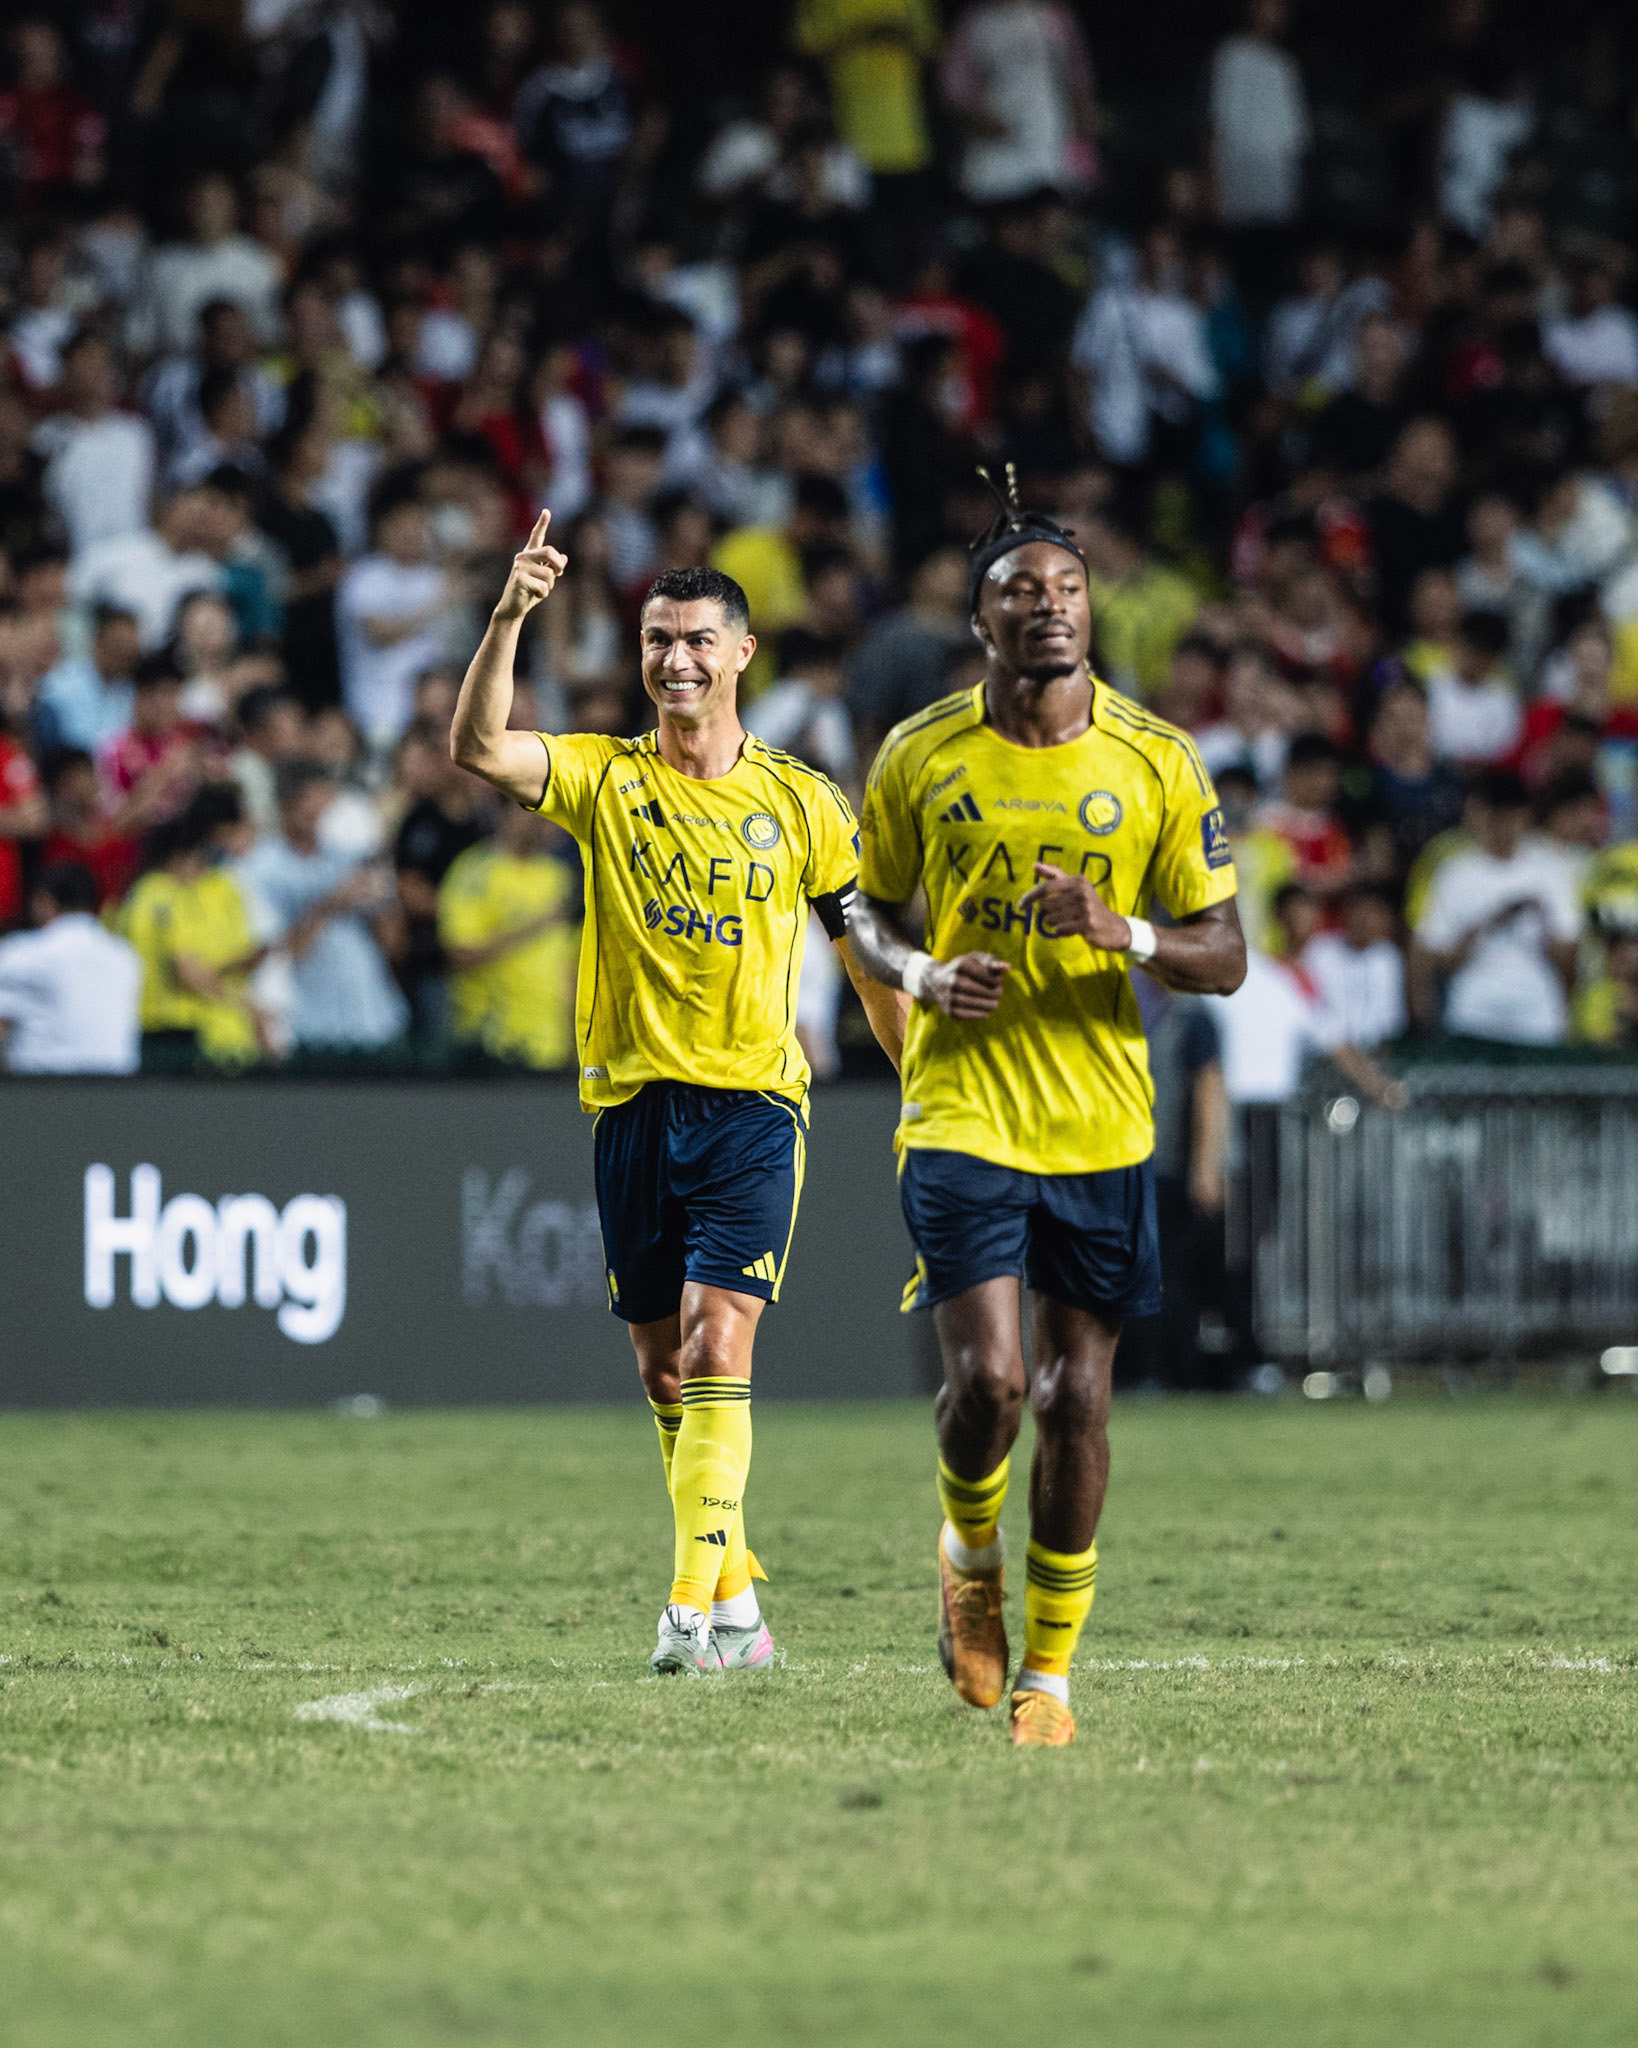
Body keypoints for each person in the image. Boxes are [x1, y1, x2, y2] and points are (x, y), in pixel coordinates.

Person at [450, 516, 906, 1677]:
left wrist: (924, 1087)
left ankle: (689, 1610)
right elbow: (477, 746)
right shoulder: (603, 777)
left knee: (717, 1338)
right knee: (663, 1367)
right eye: (659, 640)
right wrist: (509, 613)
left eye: (699, 639)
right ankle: (743, 1602)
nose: (677, 661)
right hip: (632, 1107)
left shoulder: (807, 804)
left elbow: (862, 954)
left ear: (744, 651)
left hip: (755, 1105)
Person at [846, 477, 1247, 1745]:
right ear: (981, 619)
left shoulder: (1154, 759)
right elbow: (858, 910)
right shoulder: (920, 755)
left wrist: (1120, 929)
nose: (1051, 607)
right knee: (995, 1385)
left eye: (1068, 588)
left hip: (1101, 1120)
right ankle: (971, 1555)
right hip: (961, 1105)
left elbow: (1225, 951)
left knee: (1080, 1396)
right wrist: (917, 978)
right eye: (1022, 589)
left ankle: (1051, 1674)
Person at [236, 762, 409, 1057]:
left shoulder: (348, 858)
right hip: (310, 1024)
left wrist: (383, 894)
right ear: (285, 804)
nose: (320, 810)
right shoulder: (260, 868)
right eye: (311, 800)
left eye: (326, 801)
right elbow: (276, 954)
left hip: (372, 1017)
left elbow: (393, 944)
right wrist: (331, 904)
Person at [1410, 768, 1581, 1044]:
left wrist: (1543, 918)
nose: (1509, 826)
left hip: (1536, 1006)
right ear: (1486, 815)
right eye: (1502, 816)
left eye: (1516, 817)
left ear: (1527, 818)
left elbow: (1569, 953)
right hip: (1475, 1003)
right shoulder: (1456, 873)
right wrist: (1491, 921)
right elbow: (1434, 956)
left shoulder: (1550, 871)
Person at [438, 801, 580, 1070]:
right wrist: (533, 926)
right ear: (504, 812)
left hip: (551, 1044)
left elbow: (572, 965)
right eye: (528, 808)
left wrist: (575, 1043)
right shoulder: (475, 870)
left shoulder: (558, 876)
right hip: (491, 1045)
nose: (539, 818)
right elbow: (459, 955)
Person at [0, 861, 140, 1073]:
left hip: (39, 1093)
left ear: (43, 901)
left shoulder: (23, 953)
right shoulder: (125, 956)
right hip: (116, 1090)